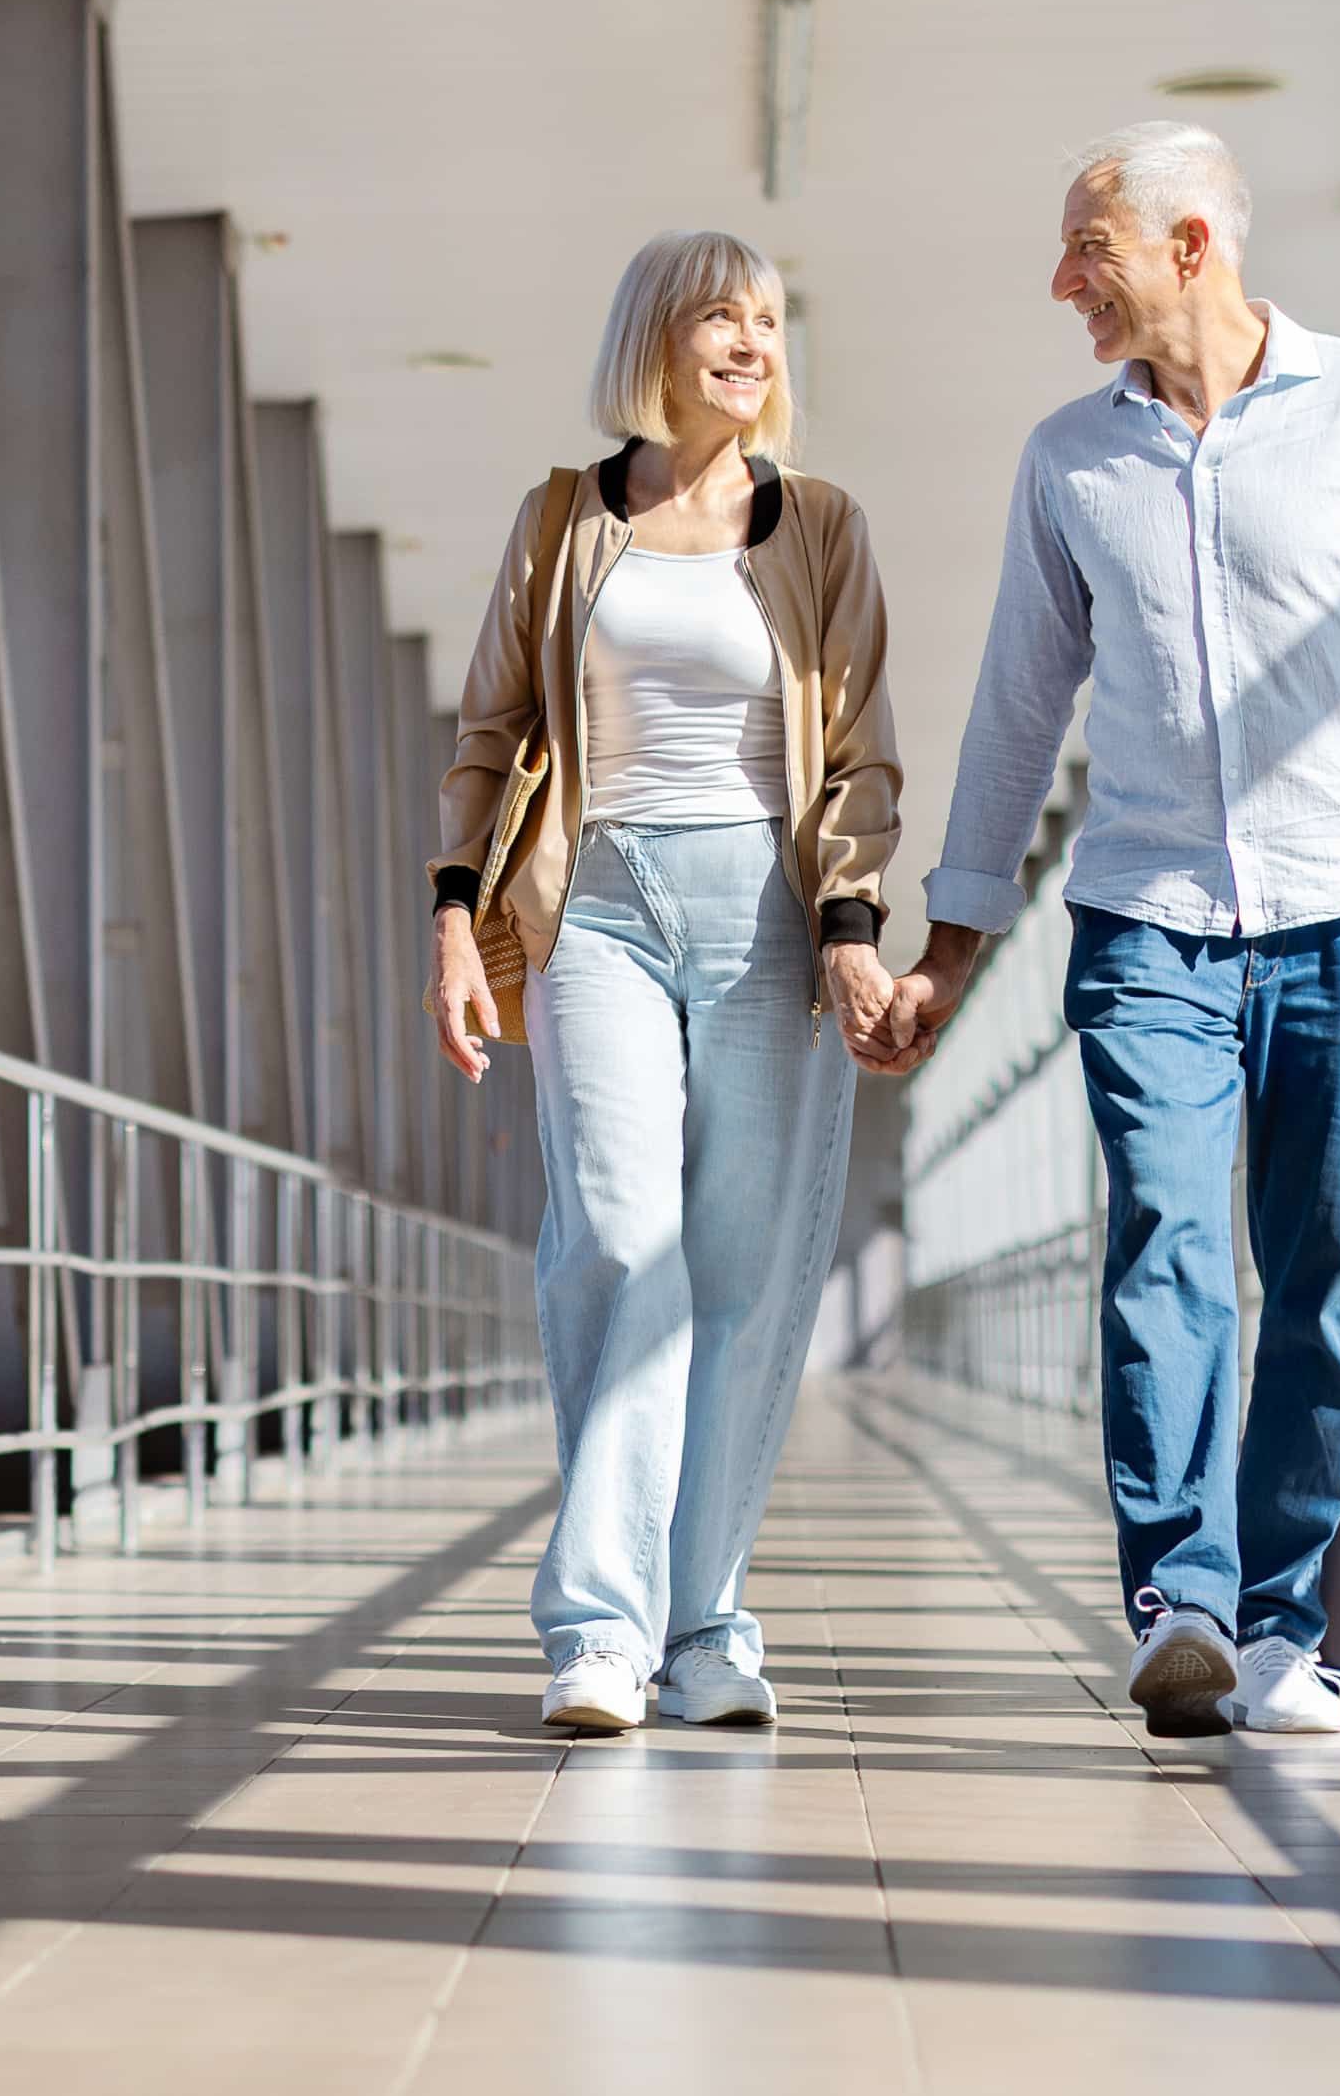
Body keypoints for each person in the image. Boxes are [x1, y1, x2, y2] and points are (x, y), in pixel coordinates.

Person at [861, 122, 1340, 1738]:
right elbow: (1014, 714)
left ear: (1192, 246)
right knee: (1168, 1250)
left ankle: (1288, 1625)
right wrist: (956, 950)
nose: (1063, 283)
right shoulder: (1068, 461)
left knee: (1323, 1266)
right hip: (1147, 919)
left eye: (1086, 252)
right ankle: (1182, 1599)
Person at [427, 229, 907, 1735]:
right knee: (619, 1243)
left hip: (770, 916)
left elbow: (859, 754)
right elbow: (492, 726)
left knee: (750, 1269)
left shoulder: (817, 524)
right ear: (656, 337)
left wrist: (847, 924)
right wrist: (456, 914)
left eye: (770, 320)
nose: (754, 343)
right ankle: (599, 1629)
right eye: (723, 317)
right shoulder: (567, 517)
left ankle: (707, 1625)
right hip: (600, 908)